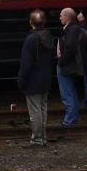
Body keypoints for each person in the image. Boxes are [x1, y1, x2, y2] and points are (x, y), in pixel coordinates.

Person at [17, 10, 56, 146]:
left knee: (35, 111)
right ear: (44, 22)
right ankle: (42, 136)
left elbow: (26, 64)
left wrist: (21, 81)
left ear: (31, 22)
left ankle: (37, 138)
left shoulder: (31, 39)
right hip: (45, 79)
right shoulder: (49, 36)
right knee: (43, 108)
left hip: (33, 81)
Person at [56, 7, 84, 127]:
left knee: (67, 93)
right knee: (70, 92)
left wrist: (61, 61)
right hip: (68, 64)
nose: (60, 18)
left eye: (61, 15)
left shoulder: (72, 30)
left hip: (66, 65)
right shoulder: (72, 29)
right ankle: (73, 118)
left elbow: (70, 49)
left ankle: (69, 120)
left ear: (67, 17)